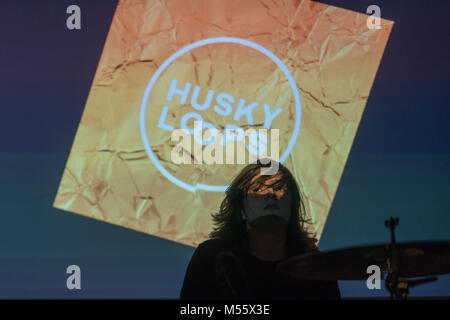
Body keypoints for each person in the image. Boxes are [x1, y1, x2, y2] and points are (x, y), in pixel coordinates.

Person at [180, 159, 341, 300]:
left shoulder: (316, 267)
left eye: (279, 188)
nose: (270, 193)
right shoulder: (211, 256)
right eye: (258, 189)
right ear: (241, 210)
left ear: (292, 205)